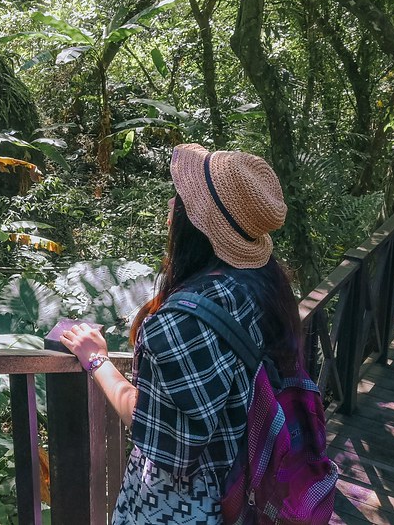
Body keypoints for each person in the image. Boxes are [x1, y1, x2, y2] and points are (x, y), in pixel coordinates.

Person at [59, 144, 303, 524]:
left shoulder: (182, 322)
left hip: (193, 505)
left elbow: (167, 443)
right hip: (249, 476)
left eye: (182, 198)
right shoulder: (262, 285)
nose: (172, 205)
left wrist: (97, 360)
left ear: (196, 224)